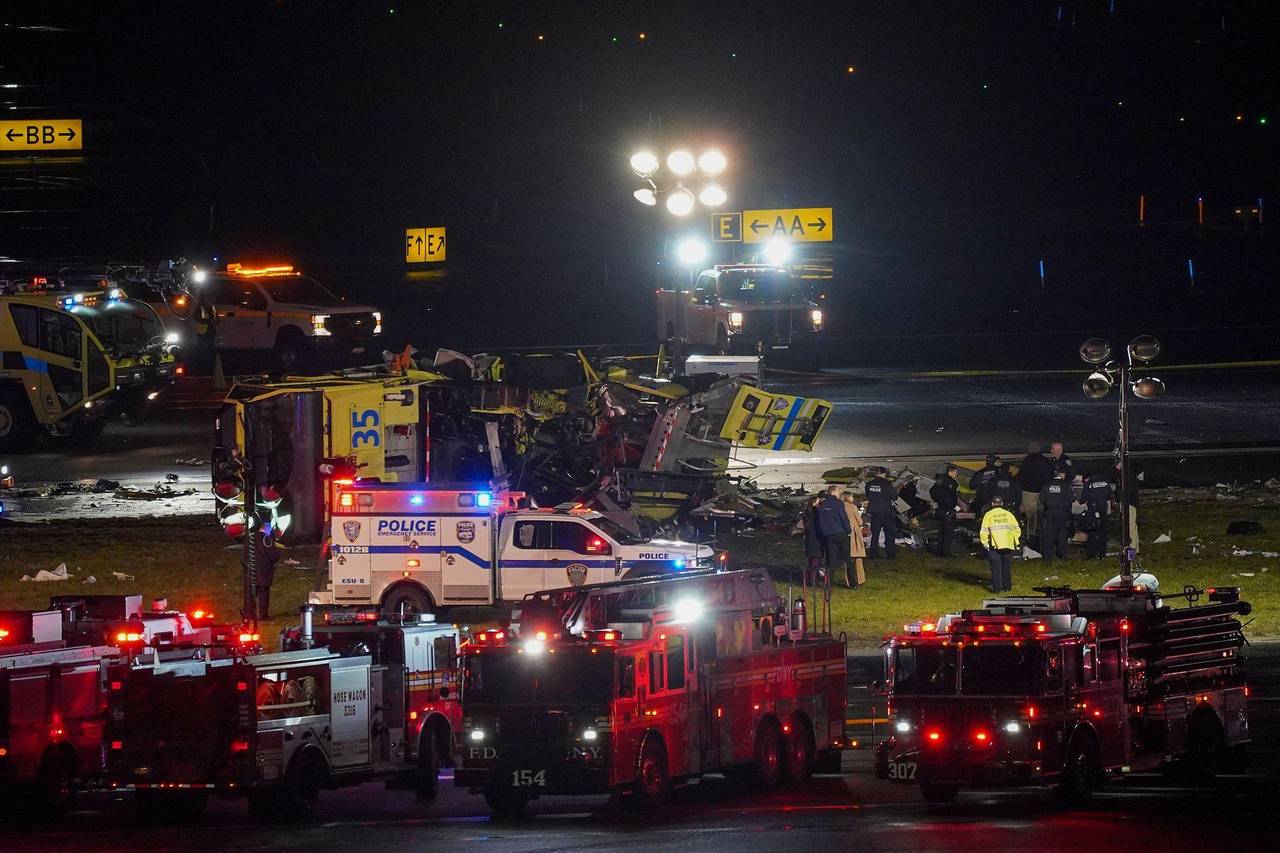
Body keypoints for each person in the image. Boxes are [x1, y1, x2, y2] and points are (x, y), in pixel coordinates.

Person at [979, 496, 1022, 592]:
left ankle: (997, 589)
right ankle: (1007, 588)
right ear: (1002, 504)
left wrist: (985, 543)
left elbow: (984, 531)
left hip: (994, 545)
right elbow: (1017, 530)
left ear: (992, 504)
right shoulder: (1009, 514)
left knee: (996, 567)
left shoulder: (988, 515)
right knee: (1006, 566)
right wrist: (1014, 540)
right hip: (1008, 544)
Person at [815, 485, 854, 583]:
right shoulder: (838, 503)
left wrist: (824, 533)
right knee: (847, 559)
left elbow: (820, 521)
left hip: (829, 535)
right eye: (838, 491)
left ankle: (830, 583)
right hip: (841, 533)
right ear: (833, 492)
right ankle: (853, 582)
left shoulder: (822, 505)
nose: (839, 493)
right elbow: (843, 517)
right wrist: (848, 530)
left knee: (831, 560)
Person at [1017, 442, 1053, 535]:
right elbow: (1050, 476)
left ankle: (1032, 537)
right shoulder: (1046, 461)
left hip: (1029, 493)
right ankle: (1044, 535)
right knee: (1043, 516)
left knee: (1031, 518)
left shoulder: (1026, 462)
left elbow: (1021, 477)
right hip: (1043, 492)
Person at [864, 468, 898, 559]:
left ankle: (873, 554)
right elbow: (895, 497)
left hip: (874, 513)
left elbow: (868, 495)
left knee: (875, 535)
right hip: (886, 513)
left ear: (876, 474)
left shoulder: (869, 484)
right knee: (889, 534)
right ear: (884, 474)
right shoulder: (887, 484)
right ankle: (890, 554)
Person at [1040, 468, 1073, 561]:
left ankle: (1048, 556)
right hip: (1062, 513)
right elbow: (1071, 499)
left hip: (1049, 513)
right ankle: (1062, 555)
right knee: (1062, 534)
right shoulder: (1066, 485)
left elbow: (1042, 499)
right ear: (1061, 474)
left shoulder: (1046, 485)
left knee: (1048, 534)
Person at [929, 465, 961, 556]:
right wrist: (953, 506)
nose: (956, 475)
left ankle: (940, 551)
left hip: (940, 509)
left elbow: (932, 491)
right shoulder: (951, 482)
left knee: (941, 531)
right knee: (948, 532)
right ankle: (946, 552)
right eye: (955, 473)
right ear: (950, 472)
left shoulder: (939, 481)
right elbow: (949, 497)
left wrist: (937, 500)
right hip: (948, 510)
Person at [1082, 472, 1113, 559]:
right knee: (1102, 533)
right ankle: (1102, 554)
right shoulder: (1106, 483)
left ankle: (1091, 555)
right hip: (1103, 512)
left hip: (1093, 512)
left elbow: (1083, 499)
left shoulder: (1089, 484)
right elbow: (1109, 497)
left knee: (1092, 533)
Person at [841, 492, 868, 587]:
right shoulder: (852, 507)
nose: (853, 498)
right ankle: (860, 579)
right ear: (847, 497)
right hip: (854, 533)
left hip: (844, 533)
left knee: (847, 559)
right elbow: (860, 522)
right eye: (852, 496)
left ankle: (848, 580)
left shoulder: (840, 507)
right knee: (858, 558)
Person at [801, 496, 825, 580]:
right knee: (815, 560)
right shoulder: (815, 513)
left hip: (810, 539)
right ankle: (812, 578)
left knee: (812, 560)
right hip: (816, 539)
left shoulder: (807, 513)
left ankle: (810, 578)